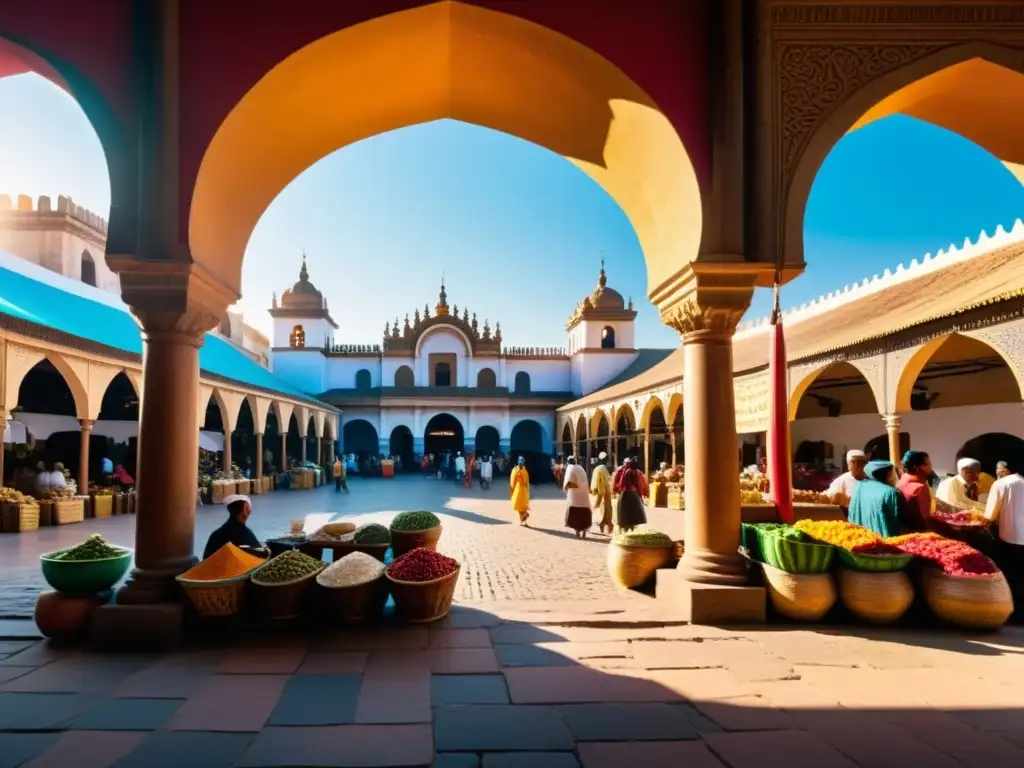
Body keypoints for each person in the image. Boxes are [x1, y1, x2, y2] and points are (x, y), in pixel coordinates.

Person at [984, 457, 1024, 612]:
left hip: (1009, 538)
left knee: (1012, 575)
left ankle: (1014, 610)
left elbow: (990, 515)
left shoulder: (1001, 484)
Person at [847, 460, 903, 537]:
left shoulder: (859, 486)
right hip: (884, 542)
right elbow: (897, 521)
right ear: (888, 474)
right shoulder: (890, 492)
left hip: (860, 538)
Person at [203, 494, 261, 559]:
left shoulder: (216, 534)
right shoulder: (245, 534)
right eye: (249, 509)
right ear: (246, 510)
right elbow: (261, 556)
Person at [896, 450, 933, 532]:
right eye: (927, 464)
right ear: (917, 467)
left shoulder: (902, 479)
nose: (931, 467)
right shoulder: (920, 488)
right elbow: (925, 519)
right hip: (918, 532)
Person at [614, 456, 648, 532]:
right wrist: (641, 496)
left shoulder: (625, 471)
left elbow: (621, 484)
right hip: (633, 495)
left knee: (625, 515)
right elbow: (640, 485)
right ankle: (631, 531)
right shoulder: (636, 472)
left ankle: (624, 531)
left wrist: (618, 491)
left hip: (625, 495)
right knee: (632, 515)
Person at [562, 456, 592, 538]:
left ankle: (578, 531)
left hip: (575, 498)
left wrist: (565, 488)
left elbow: (570, 482)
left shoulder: (571, 469)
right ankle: (584, 531)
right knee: (584, 513)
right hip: (584, 496)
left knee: (576, 514)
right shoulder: (581, 468)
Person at [590, 451, 614, 535]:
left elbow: (593, 483)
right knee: (607, 510)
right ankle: (605, 525)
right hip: (604, 493)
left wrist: (594, 491)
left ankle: (602, 525)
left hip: (597, 494)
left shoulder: (596, 469)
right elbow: (608, 480)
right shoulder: (603, 468)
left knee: (599, 509)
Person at [509, 456, 531, 525]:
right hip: (517, 490)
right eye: (520, 461)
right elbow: (512, 480)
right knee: (517, 504)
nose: (521, 462)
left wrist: (527, 490)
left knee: (523, 506)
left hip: (523, 491)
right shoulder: (515, 470)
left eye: (522, 461)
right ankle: (524, 516)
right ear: (518, 461)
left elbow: (526, 481)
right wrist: (512, 489)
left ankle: (523, 519)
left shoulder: (525, 470)